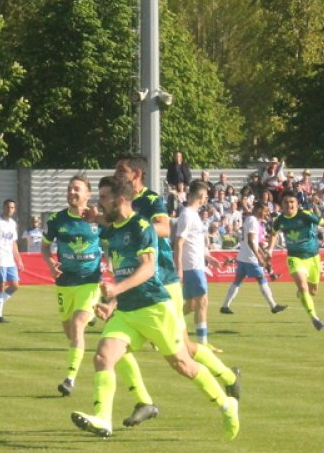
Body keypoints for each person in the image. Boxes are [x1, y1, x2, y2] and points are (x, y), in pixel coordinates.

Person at [70, 175, 239, 440]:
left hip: (154, 309)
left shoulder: (141, 227)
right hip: (127, 311)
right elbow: (124, 271)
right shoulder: (113, 229)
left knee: (183, 364)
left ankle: (226, 403)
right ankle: (103, 420)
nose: (99, 203)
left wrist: (116, 291)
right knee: (103, 356)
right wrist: (112, 303)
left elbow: (148, 269)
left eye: (103, 198)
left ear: (121, 200)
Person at [114, 155, 239, 404]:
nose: (117, 173)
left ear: (137, 174)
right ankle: (226, 378)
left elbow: (163, 228)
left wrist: (134, 227)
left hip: (163, 279)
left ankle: (227, 381)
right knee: (125, 346)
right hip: (144, 284)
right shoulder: (122, 201)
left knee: (181, 349)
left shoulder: (149, 199)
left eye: (122, 170)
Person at [42, 176, 152, 418]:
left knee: (79, 325)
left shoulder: (98, 221)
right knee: (71, 332)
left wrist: (111, 267)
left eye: (77, 189)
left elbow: (113, 242)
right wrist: (51, 263)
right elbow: (45, 246)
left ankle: (69, 378)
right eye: (70, 188)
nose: (72, 192)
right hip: (64, 284)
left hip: (90, 282)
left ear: (87, 195)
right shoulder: (56, 220)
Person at [173, 181, 226, 349]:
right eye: (206, 196)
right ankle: (203, 343)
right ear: (202, 197)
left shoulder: (194, 214)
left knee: (192, 305)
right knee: (202, 301)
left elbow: (194, 242)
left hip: (197, 264)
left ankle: (166, 325)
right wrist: (179, 267)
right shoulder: (187, 214)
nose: (206, 199)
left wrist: (208, 257)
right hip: (191, 266)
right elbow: (179, 242)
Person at [267, 191, 324, 331]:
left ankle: (302, 293)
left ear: (296, 203)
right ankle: (314, 318)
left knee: (313, 291)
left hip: (313, 257)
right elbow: (273, 233)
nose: (289, 205)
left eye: (292, 202)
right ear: (282, 205)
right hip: (294, 257)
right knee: (302, 286)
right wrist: (270, 249)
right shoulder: (280, 220)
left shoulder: (305, 215)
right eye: (286, 202)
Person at [219, 200, 287, 316]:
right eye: (265, 211)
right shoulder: (253, 221)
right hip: (250, 258)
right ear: (259, 210)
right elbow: (251, 241)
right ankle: (273, 306)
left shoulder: (251, 220)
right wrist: (258, 256)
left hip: (243, 256)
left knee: (237, 281)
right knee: (261, 279)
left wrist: (262, 252)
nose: (267, 213)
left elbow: (253, 241)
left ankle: (225, 306)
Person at [0, 199, 24, 323]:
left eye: (12, 207)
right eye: (8, 207)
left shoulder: (13, 224)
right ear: (3, 207)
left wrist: (18, 259)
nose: (10, 209)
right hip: (0, 258)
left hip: (9, 260)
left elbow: (13, 242)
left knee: (14, 286)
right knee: (1, 286)